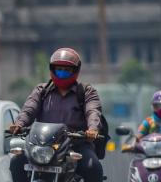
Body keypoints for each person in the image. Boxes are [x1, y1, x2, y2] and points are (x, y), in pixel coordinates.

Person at [8, 48, 104, 182]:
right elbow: (29, 109)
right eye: (59, 69)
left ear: (75, 71)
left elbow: (93, 111)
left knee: (93, 166)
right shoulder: (42, 90)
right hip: (42, 145)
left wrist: (92, 129)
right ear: (52, 69)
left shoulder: (86, 91)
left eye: (67, 70)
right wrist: (19, 124)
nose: (62, 73)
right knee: (16, 162)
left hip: (76, 144)